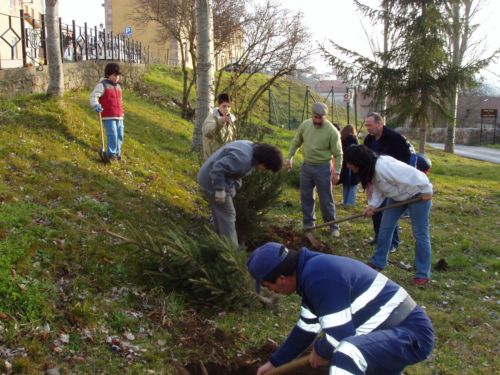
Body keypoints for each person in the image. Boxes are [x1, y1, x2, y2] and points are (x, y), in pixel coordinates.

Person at [247, 242, 435, 375]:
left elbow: (341, 336)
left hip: (409, 334)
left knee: (347, 352)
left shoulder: (319, 277)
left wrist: (321, 350)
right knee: (350, 353)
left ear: (281, 278)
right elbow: (306, 328)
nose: (271, 290)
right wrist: (275, 362)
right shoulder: (310, 273)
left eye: (267, 285)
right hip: (382, 337)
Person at [344, 145, 433, 285]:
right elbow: (380, 190)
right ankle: (378, 262)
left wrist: (427, 190)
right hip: (397, 196)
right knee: (385, 227)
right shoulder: (371, 169)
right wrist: (372, 206)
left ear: (358, 161)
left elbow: (415, 174)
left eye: (349, 162)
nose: (348, 166)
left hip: (418, 194)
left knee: (420, 233)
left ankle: (422, 273)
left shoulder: (383, 166)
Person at [197, 140, 282, 245]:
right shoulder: (243, 159)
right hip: (211, 180)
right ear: (264, 162)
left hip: (210, 177)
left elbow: (235, 172)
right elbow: (218, 169)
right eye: (266, 168)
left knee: (220, 214)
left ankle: (216, 242)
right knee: (228, 215)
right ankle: (231, 253)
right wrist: (219, 190)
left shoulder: (251, 149)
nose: (264, 170)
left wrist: (232, 187)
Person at [287, 102, 343, 237]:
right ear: (312, 115)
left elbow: (338, 153)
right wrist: (290, 157)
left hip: (323, 167)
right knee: (306, 196)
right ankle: (308, 224)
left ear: (326, 116)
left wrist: (337, 172)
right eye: (315, 117)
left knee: (325, 198)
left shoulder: (332, 131)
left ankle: (332, 225)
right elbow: (296, 141)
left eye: (321, 118)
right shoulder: (305, 125)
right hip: (307, 166)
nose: (317, 121)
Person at [363, 112, 413, 252]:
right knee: (375, 210)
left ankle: (393, 242)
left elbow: (406, 158)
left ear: (379, 124)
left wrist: (395, 174)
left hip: (391, 181)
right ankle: (379, 237)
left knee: (388, 212)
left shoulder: (395, 138)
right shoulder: (369, 140)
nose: (368, 128)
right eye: (366, 125)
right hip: (374, 180)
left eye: (370, 125)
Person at [90, 62, 124, 162]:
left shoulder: (118, 87)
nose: (117, 78)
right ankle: (111, 154)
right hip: (108, 115)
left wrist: (122, 112)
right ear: (108, 74)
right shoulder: (102, 85)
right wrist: (96, 104)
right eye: (115, 75)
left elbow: (120, 100)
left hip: (119, 115)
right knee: (112, 134)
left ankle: (117, 154)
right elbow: (94, 96)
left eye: (118, 75)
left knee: (120, 135)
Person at [202, 93, 237, 160]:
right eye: (224, 106)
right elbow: (207, 132)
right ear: (219, 105)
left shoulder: (231, 121)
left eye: (229, 106)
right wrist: (220, 122)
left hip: (225, 158)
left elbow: (232, 139)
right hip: (212, 157)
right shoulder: (212, 117)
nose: (226, 109)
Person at [338, 125, 359, 207]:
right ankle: (350, 203)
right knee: (353, 184)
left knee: (346, 183)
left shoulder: (341, 138)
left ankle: (346, 201)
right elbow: (357, 151)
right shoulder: (353, 138)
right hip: (353, 163)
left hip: (344, 164)